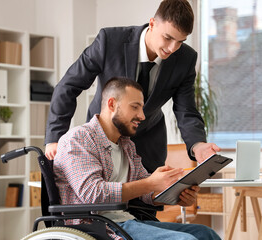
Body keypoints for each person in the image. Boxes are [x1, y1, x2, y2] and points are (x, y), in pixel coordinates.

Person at [46, 0, 220, 172]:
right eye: (168, 38)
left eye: (180, 41)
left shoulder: (185, 59)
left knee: (148, 198)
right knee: (102, 197)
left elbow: (186, 110)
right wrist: (55, 138)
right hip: (101, 139)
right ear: (152, 24)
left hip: (148, 146)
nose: (172, 48)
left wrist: (198, 145)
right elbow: (68, 86)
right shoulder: (110, 41)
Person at [53, 77, 221, 240]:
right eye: (135, 107)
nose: (142, 116)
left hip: (125, 221)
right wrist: (150, 183)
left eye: (141, 108)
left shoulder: (126, 145)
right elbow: (93, 194)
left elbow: (145, 191)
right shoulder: (78, 139)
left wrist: (175, 193)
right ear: (112, 104)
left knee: (205, 234)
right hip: (96, 226)